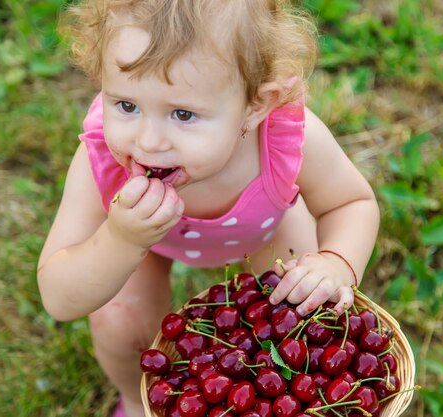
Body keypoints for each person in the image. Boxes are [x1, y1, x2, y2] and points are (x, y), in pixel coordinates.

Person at [37, 1, 380, 416]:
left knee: (299, 311)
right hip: (146, 245)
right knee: (118, 321)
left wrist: (336, 261)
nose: (147, 142)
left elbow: (351, 203)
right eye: (126, 105)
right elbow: (58, 296)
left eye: (183, 114)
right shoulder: (105, 160)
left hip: (268, 230)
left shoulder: (283, 139)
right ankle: (136, 399)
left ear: (256, 105)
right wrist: (121, 239)